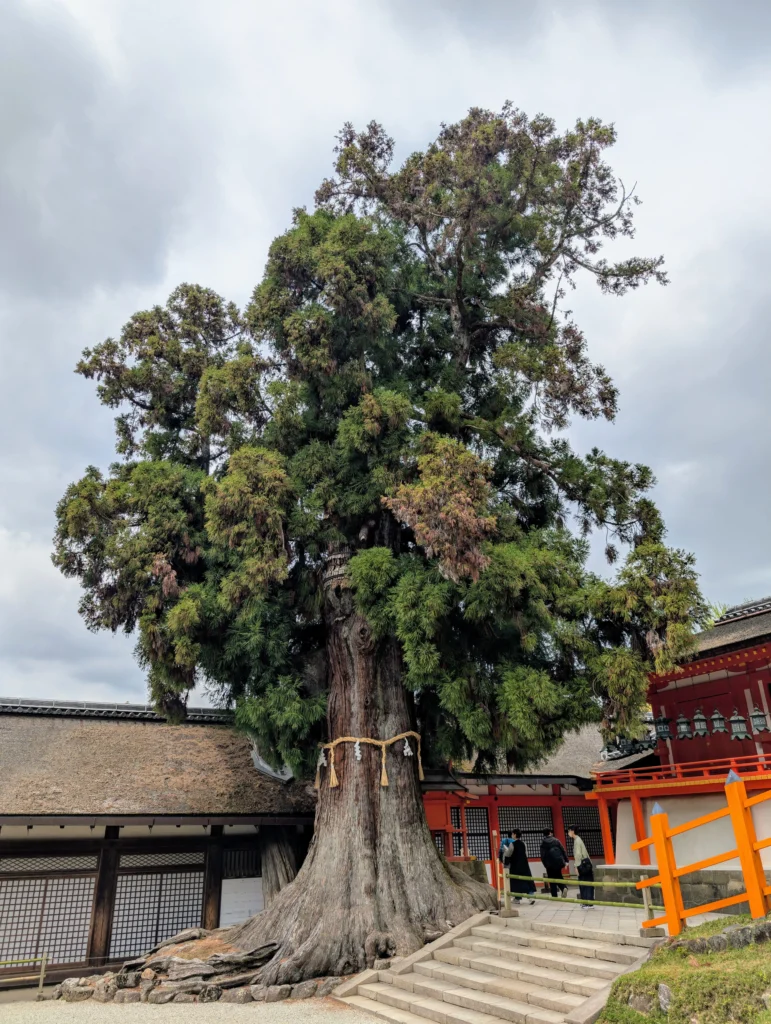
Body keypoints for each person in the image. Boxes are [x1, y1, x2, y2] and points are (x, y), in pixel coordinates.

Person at [499, 830, 536, 904]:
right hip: (524, 865)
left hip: (515, 866)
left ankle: (517, 898)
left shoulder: (512, 844)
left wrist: (505, 863)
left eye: (513, 834)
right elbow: (526, 854)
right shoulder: (523, 844)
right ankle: (531, 897)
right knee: (527, 880)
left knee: (516, 882)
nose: (512, 835)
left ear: (515, 835)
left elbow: (508, 854)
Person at [569, 827, 594, 908]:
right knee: (588, 883)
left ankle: (586, 902)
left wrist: (576, 866)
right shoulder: (579, 840)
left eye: (569, 831)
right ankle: (589, 902)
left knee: (583, 883)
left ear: (572, 831)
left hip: (582, 864)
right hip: (586, 863)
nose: (568, 833)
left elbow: (578, 854)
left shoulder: (577, 841)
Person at [540, 828, 568, 898]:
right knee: (559, 876)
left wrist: (545, 864)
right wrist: (566, 860)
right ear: (550, 833)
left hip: (549, 864)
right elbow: (563, 850)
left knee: (551, 879)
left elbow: (542, 855)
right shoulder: (556, 840)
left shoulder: (543, 843)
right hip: (558, 862)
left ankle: (554, 895)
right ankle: (563, 887)